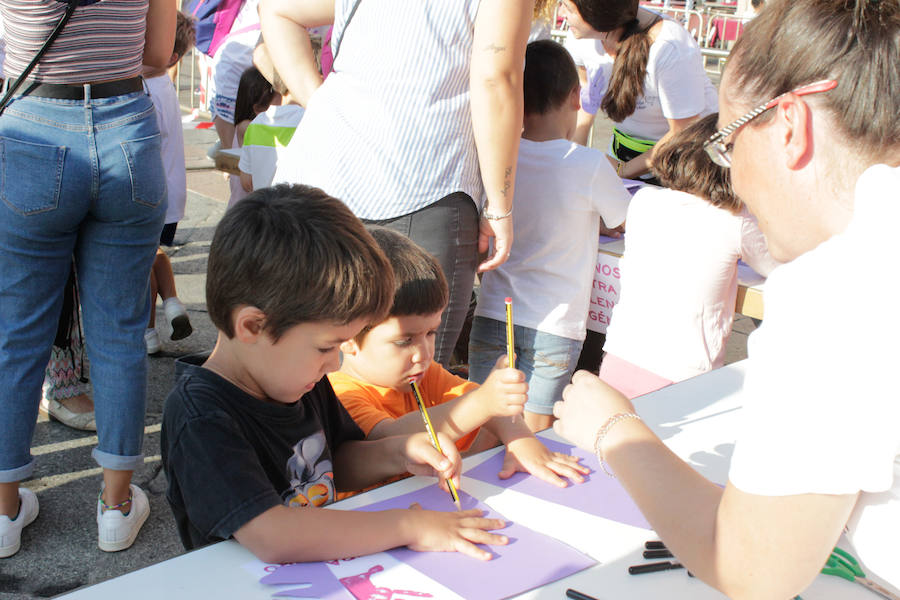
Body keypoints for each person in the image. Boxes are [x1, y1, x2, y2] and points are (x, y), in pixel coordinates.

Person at [553, 0, 900, 596]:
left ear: (789, 127)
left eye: (727, 144)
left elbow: (752, 569)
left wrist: (614, 429)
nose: (730, 174)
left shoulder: (836, 291)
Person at [161, 185, 510, 562]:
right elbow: (271, 534)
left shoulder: (301, 381)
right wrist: (408, 527)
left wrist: (401, 452)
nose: (334, 364)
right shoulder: (200, 416)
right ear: (253, 327)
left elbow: (338, 462)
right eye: (327, 347)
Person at [260, 0, 534, 367]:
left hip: (324, 177)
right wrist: (500, 206)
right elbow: (497, 79)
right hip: (424, 183)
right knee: (406, 387)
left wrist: (320, 100)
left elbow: (277, 9)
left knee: (308, 373)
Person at [0, 0, 176, 558]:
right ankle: (116, 508)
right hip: (126, 124)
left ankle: (3, 512)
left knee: (17, 333)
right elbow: (155, 54)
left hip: (33, 126)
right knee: (120, 329)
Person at [331, 226, 589, 493]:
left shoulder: (424, 374)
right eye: (404, 340)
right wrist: (483, 402)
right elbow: (390, 438)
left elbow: (491, 410)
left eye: (431, 333)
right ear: (348, 337)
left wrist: (520, 440)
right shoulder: (339, 393)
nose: (423, 353)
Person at [468, 40, 631, 433]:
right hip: (556, 325)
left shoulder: (495, 158)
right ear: (576, 95)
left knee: (481, 423)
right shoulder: (588, 164)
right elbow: (625, 220)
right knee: (535, 432)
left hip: (493, 312)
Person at [599, 114, 779, 399]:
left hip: (619, 356)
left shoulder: (645, 202)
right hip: (684, 374)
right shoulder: (736, 220)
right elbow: (777, 263)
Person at [560, 0, 717, 182]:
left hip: (682, 160)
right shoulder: (579, 37)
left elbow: (684, 129)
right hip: (625, 151)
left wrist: (624, 170)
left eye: (568, 8)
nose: (561, 13)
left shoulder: (669, 47)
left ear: (597, 14)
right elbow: (586, 103)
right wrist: (574, 160)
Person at [144, 11, 196, 354]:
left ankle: (146, 332)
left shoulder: (145, 86)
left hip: (152, 193)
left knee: (139, 266)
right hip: (171, 195)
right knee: (152, 254)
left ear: (171, 56)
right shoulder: (162, 82)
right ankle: (173, 302)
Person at [237, 42, 311, 193]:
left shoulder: (257, 123)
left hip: (266, 208)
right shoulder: (312, 120)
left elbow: (246, 181)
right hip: (301, 210)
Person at [227, 65, 275, 208]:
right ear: (258, 106)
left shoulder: (243, 124)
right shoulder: (248, 126)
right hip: (245, 204)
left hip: (244, 201)